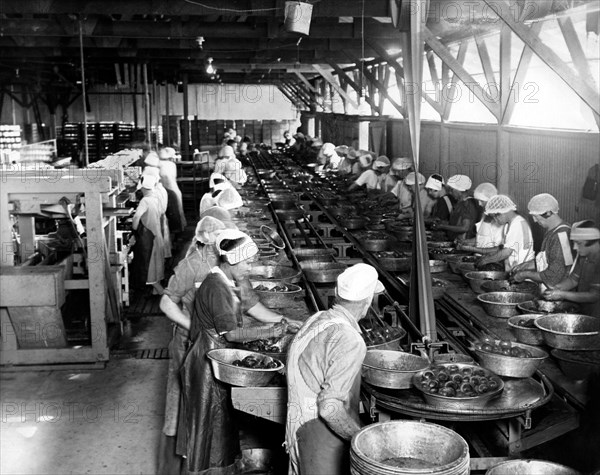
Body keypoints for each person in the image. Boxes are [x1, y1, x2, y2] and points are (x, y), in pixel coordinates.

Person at [177, 230, 293, 473]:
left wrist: (283, 322)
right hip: (208, 364)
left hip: (218, 358)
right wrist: (268, 333)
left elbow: (247, 310)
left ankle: (220, 467)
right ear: (231, 260)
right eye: (247, 262)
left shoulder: (229, 280)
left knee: (220, 427)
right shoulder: (217, 286)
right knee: (210, 429)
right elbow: (230, 334)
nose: (250, 267)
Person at [285, 263, 382, 475]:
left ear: (337, 294)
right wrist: (360, 440)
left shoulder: (317, 319)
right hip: (321, 435)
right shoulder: (350, 340)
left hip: (299, 427)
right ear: (367, 302)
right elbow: (329, 408)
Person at [157, 217, 226, 475]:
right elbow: (166, 304)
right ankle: (176, 468)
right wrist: (192, 325)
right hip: (187, 345)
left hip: (206, 344)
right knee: (181, 412)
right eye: (218, 234)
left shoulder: (219, 263)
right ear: (206, 238)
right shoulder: (190, 265)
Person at [511, 194, 574, 290]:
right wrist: (526, 265)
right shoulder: (552, 231)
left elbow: (555, 274)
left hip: (559, 294)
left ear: (548, 213)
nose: (534, 220)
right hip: (549, 290)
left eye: (536, 216)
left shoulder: (562, 236)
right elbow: (548, 260)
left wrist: (525, 274)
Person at [543, 220, 599, 317]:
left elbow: (594, 295)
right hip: (585, 311)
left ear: (592, 242)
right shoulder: (584, 256)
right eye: (573, 243)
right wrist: (556, 288)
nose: (574, 247)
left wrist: (561, 294)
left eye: (579, 243)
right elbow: (573, 280)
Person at [474, 195, 535, 272]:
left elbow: (506, 252)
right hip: (514, 268)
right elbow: (502, 248)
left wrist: (487, 260)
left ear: (502, 213)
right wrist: (488, 256)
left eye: (495, 217)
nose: (495, 221)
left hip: (522, 269)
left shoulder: (517, 224)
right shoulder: (509, 224)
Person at [130, 174, 166, 294]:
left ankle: (162, 294)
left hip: (149, 239)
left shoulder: (145, 201)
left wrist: (134, 232)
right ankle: (156, 293)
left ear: (144, 188)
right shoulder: (155, 198)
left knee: (150, 268)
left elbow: (136, 218)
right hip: (157, 236)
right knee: (157, 267)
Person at [456, 182, 503, 251]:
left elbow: (498, 248)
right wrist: (466, 242)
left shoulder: (500, 220)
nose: (479, 204)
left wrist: (472, 249)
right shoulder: (485, 214)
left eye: (482, 201)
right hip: (479, 257)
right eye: (478, 201)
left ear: (491, 200)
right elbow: (482, 238)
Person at [436, 174, 481, 240]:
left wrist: (443, 226)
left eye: (452, 190)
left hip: (464, 243)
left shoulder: (467, 204)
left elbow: (465, 228)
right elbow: (458, 222)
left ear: (459, 190)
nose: (450, 193)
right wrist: (445, 223)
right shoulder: (461, 203)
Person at [158, 146, 187, 234]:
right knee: (178, 211)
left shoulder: (159, 165)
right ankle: (180, 231)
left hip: (166, 191)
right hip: (175, 190)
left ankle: (173, 234)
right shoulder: (172, 165)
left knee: (170, 214)